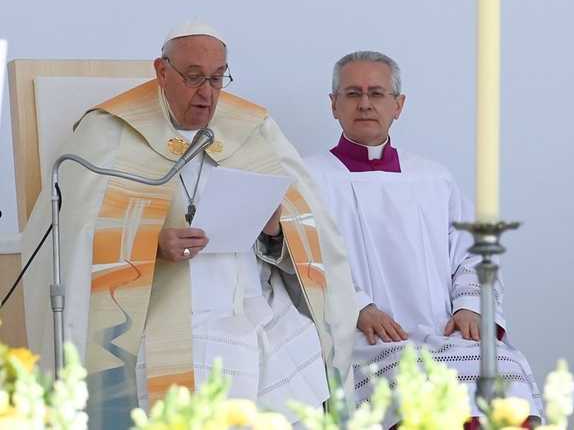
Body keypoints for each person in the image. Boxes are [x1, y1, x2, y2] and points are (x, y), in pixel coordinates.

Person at [20, 22, 358, 428]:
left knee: (288, 345)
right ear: (162, 71)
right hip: (158, 309)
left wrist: (273, 233)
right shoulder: (110, 133)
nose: (208, 93)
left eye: (218, 78)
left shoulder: (253, 130)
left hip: (251, 302)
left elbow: (309, 239)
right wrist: (151, 245)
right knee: (218, 358)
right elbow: (71, 238)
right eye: (194, 77)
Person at [304, 51, 543, 426]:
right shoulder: (308, 179)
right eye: (352, 93)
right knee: (412, 384)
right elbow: (303, 261)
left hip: (443, 329)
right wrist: (358, 307)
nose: (365, 103)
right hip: (364, 340)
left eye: (377, 93)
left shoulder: (433, 179)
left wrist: (469, 306)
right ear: (334, 105)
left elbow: (473, 254)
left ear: (398, 105)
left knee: (502, 371)